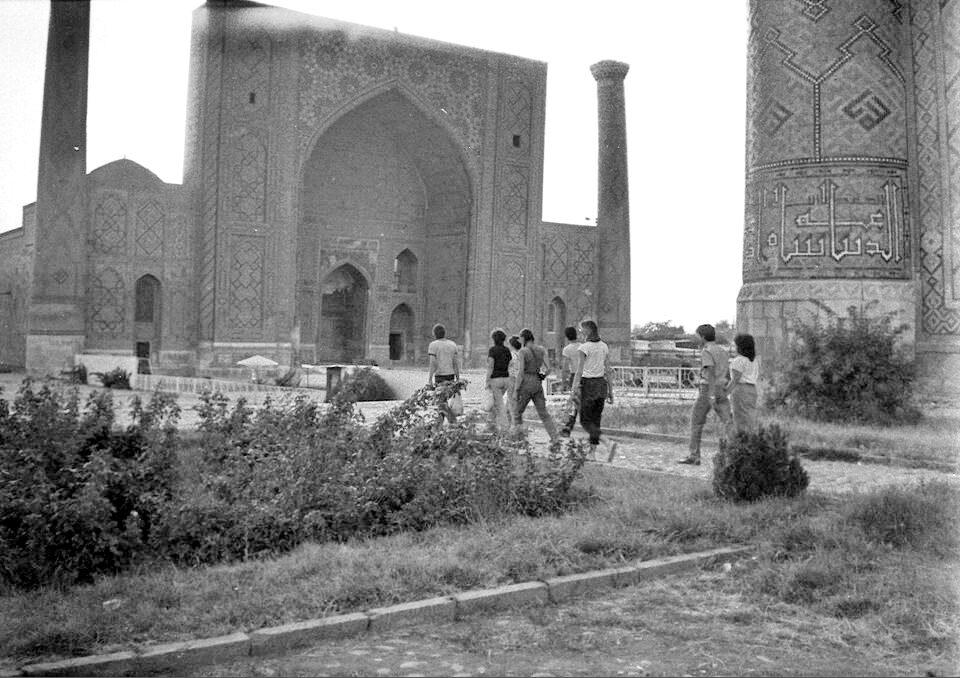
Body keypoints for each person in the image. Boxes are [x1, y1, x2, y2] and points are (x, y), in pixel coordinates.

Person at [679, 323, 732, 465]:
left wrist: (711, 394)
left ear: (703, 337)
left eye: (697, 336)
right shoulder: (723, 351)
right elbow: (727, 372)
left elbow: (710, 372)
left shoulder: (706, 351)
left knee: (696, 422)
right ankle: (738, 450)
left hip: (708, 389)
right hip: (722, 388)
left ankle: (694, 455)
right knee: (728, 422)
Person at [570, 319, 618, 462]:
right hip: (601, 385)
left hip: (588, 385)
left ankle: (607, 442)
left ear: (588, 330)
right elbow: (608, 370)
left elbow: (579, 371)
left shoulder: (584, 348)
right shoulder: (604, 346)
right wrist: (611, 391)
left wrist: (574, 388)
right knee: (595, 421)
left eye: (581, 329)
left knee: (585, 420)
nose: (580, 332)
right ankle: (592, 453)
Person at [512, 328, 559, 441]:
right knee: (543, 413)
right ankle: (555, 437)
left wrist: (516, 390)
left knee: (517, 412)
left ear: (524, 338)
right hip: (537, 383)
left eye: (520, 338)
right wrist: (543, 376)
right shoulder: (541, 350)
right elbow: (549, 368)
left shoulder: (523, 352)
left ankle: (520, 437)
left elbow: (521, 372)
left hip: (526, 383)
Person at [725, 333, 759, 435]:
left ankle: (741, 439)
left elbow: (735, 380)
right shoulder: (754, 361)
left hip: (741, 390)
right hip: (752, 389)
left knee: (739, 417)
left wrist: (725, 393)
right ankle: (751, 437)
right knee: (750, 416)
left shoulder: (738, 361)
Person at [427, 323, 460, 423]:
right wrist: (458, 378)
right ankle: (441, 423)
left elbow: (433, 363)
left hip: (440, 376)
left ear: (434, 334)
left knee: (441, 402)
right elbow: (455, 363)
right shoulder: (453, 345)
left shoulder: (433, 345)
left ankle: (452, 421)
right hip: (451, 376)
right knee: (443, 401)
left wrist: (430, 379)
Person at [486, 328, 513, 431]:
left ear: (494, 339)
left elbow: (490, 366)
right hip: (506, 379)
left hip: (496, 380)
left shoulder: (492, 350)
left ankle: (505, 427)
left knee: (499, 404)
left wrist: (487, 381)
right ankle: (490, 424)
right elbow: (510, 364)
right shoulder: (507, 350)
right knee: (495, 402)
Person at [559, 326, 581, 436]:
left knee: (575, 401)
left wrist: (563, 382)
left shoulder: (567, 349)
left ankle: (568, 427)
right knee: (580, 402)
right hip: (586, 376)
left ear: (567, 337)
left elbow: (565, 368)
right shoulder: (583, 347)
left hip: (574, 376)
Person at [505, 334, 522, 428]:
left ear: (511, 345)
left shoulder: (511, 355)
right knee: (512, 401)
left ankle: (515, 425)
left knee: (512, 402)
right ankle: (508, 422)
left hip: (512, 379)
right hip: (520, 380)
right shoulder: (522, 354)